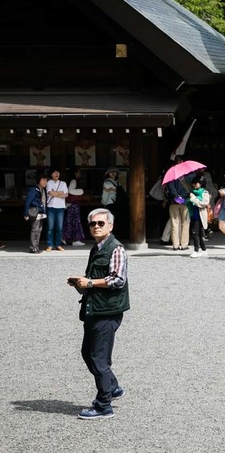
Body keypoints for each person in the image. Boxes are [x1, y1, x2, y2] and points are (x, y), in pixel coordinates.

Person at [67, 208, 131, 420]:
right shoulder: (97, 248)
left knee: (99, 359)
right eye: (93, 223)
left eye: (100, 223)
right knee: (88, 353)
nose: (96, 226)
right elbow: (94, 279)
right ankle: (112, 387)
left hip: (108, 310)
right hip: (94, 307)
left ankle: (104, 406)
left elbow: (117, 279)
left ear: (110, 226)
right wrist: (81, 284)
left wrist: (91, 282)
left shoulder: (116, 249)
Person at [165, 169, 191, 252]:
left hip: (174, 202)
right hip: (185, 201)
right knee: (185, 223)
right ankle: (184, 244)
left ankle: (175, 245)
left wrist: (176, 196)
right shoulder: (189, 177)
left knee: (174, 223)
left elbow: (171, 189)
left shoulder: (171, 178)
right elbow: (191, 188)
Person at [25, 172, 49, 253]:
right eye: (44, 180)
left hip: (41, 213)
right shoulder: (34, 190)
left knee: (39, 230)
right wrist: (25, 213)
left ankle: (36, 247)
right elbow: (28, 201)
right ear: (39, 180)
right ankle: (32, 248)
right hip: (35, 212)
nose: (45, 182)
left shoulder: (43, 189)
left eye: (46, 180)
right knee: (35, 229)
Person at [45, 168, 68, 252]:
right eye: (54, 172)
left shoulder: (63, 183)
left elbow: (65, 195)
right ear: (51, 174)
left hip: (60, 207)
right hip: (51, 207)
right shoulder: (49, 182)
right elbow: (50, 193)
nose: (56, 174)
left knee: (59, 227)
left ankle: (58, 244)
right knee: (50, 228)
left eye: (57, 172)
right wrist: (60, 192)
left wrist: (55, 193)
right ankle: (49, 245)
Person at [187, 176, 210, 258]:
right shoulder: (193, 192)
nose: (194, 185)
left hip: (200, 216)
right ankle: (204, 250)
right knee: (199, 233)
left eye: (196, 183)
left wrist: (193, 199)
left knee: (195, 232)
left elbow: (204, 203)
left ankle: (196, 250)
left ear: (201, 183)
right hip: (193, 214)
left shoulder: (205, 193)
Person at [63, 168, 86, 247]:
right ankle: (76, 239)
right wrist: (81, 191)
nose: (80, 173)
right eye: (79, 172)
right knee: (75, 222)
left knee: (70, 222)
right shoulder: (74, 181)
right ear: (75, 173)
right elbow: (70, 191)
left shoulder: (72, 181)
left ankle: (66, 238)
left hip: (71, 206)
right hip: (73, 206)